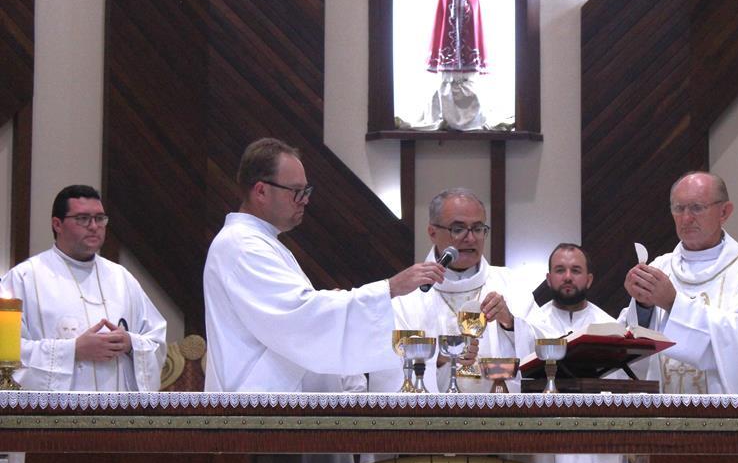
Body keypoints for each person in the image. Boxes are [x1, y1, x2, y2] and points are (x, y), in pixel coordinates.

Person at [203, 138, 445, 392]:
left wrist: (329, 303)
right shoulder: (243, 246)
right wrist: (390, 288)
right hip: (258, 407)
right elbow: (301, 319)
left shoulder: (261, 242)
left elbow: (298, 313)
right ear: (261, 191)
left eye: (306, 191)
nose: (304, 200)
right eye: (296, 191)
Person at [622, 171, 738, 394]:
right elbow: (634, 353)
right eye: (679, 209)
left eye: (697, 208)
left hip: (725, 418)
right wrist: (643, 307)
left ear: (725, 212)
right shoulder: (661, 267)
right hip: (665, 415)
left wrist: (673, 303)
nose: (686, 218)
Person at [0, 185, 167, 391]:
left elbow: (156, 340)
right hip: (54, 418)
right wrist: (73, 351)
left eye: (100, 218)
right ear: (57, 224)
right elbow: (6, 352)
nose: (94, 226)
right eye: (83, 218)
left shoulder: (121, 278)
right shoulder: (24, 278)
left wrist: (130, 343)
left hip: (117, 415)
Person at [384, 187, 533, 393]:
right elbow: (386, 363)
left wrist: (510, 323)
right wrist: (440, 358)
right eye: (458, 229)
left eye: (478, 228)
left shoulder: (510, 283)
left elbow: (547, 346)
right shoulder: (408, 292)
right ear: (432, 232)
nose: (470, 238)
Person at [526, 243, 631, 463]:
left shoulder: (609, 328)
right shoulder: (529, 326)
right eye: (560, 270)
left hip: (597, 439)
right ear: (549, 279)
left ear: (589, 279)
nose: (568, 277)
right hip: (546, 441)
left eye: (576, 270)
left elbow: (622, 385)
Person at [421, 0, 488, 131]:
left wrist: (465, 12)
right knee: (447, 79)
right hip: (450, 33)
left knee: (468, 79)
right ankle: (445, 114)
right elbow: (442, 11)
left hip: (466, 32)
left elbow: (475, 10)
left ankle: (469, 116)